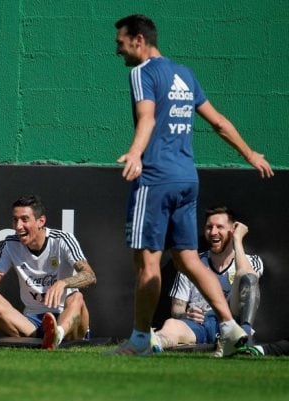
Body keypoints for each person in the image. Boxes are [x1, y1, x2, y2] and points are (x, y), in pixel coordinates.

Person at [111, 14, 273, 356]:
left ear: (139, 40)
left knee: (147, 264)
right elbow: (218, 122)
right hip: (187, 179)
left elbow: (147, 116)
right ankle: (230, 327)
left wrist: (137, 153)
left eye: (121, 42)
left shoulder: (141, 73)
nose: (118, 50)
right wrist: (250, 153)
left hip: (155, 178)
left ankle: (139, 340)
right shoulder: (185, 74)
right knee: (187, 258)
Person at [0, 195, 96, 350]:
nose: (18, 226)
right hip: (31, 325)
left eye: (24, 219)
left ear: (41, 221)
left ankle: (56, 335)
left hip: (68, 323)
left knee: (76, 297)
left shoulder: (62, 240)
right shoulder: (10, 244)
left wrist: (63, 283)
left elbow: (90, 275)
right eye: (15, 220)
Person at [153, 207, 263, 354]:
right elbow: (176, 310)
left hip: (233, 323)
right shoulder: (192, 264)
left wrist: (237, 240)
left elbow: (247, 276)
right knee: (171, 324)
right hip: (200, 324)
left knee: (248, 278)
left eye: (220, 227)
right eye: (209, 227)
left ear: (233, 229)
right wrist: (185, 314)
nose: (213, 232)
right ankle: (155, 342)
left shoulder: (251, 261)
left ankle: (244, 338)